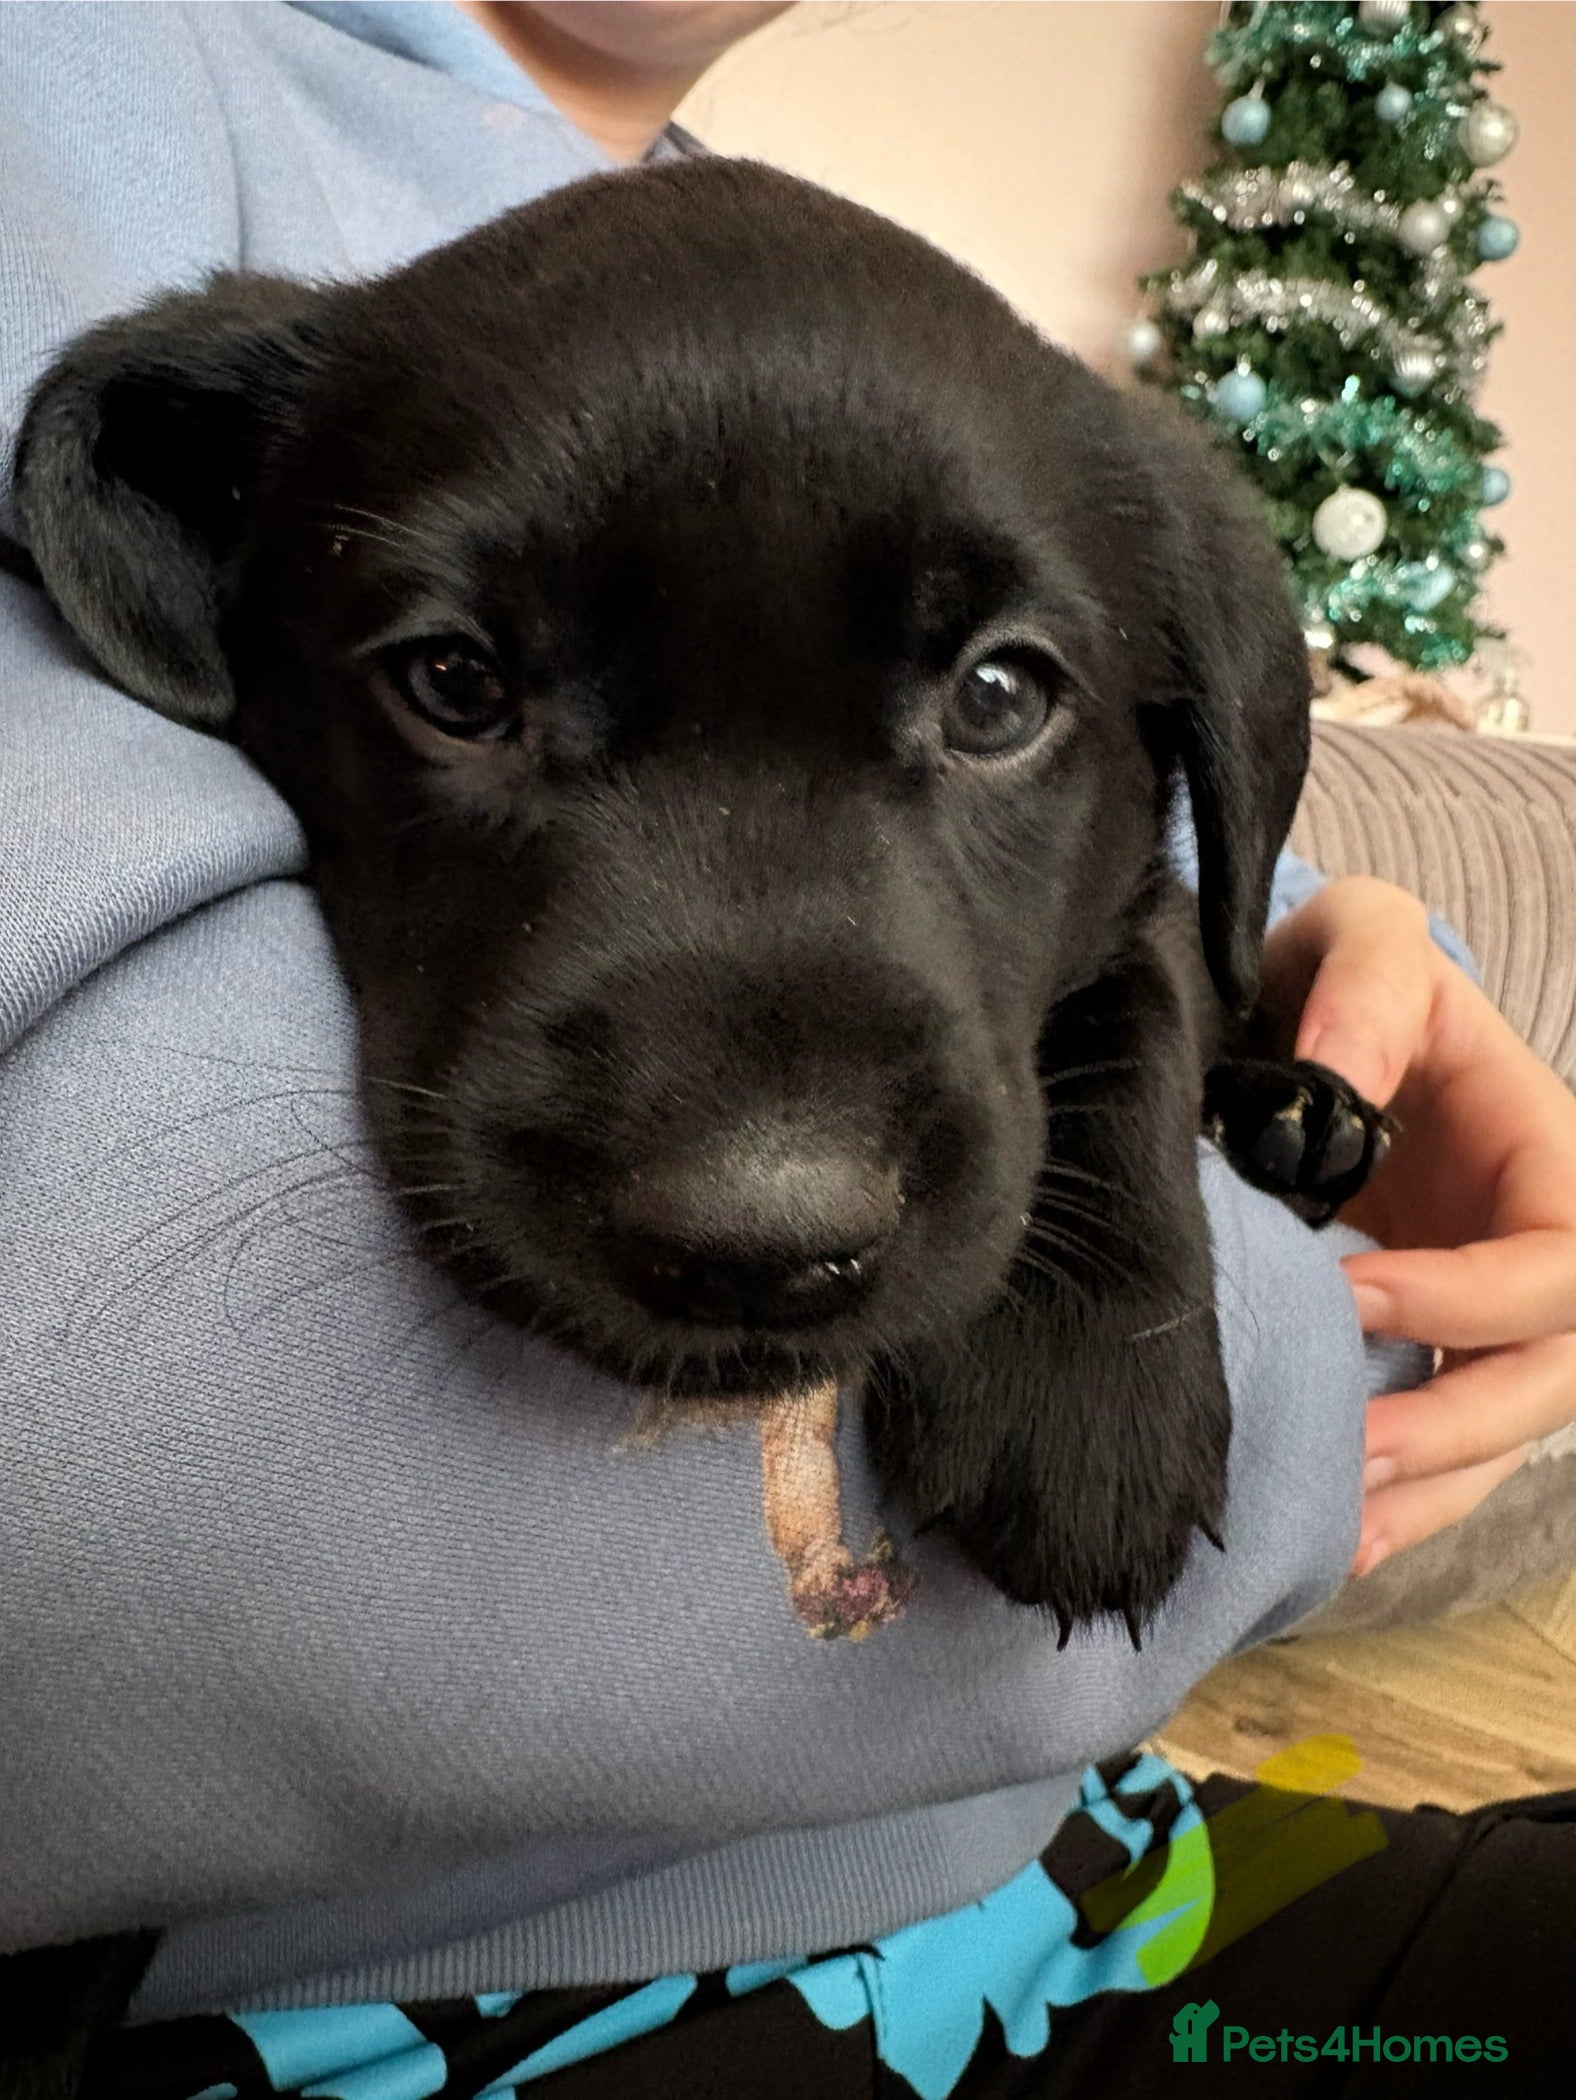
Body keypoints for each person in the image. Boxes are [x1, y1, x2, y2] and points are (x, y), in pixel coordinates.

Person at [1, 4, 1572, 2092]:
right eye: (463, 684)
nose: (772, 1189)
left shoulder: (888, 357)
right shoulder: (85, 79)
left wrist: (1250, 977)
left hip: (1092, 1872)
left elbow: (1101, 875)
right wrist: (1318, 1364)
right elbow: (83, 1463)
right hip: (455, 2009)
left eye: (995, 694)